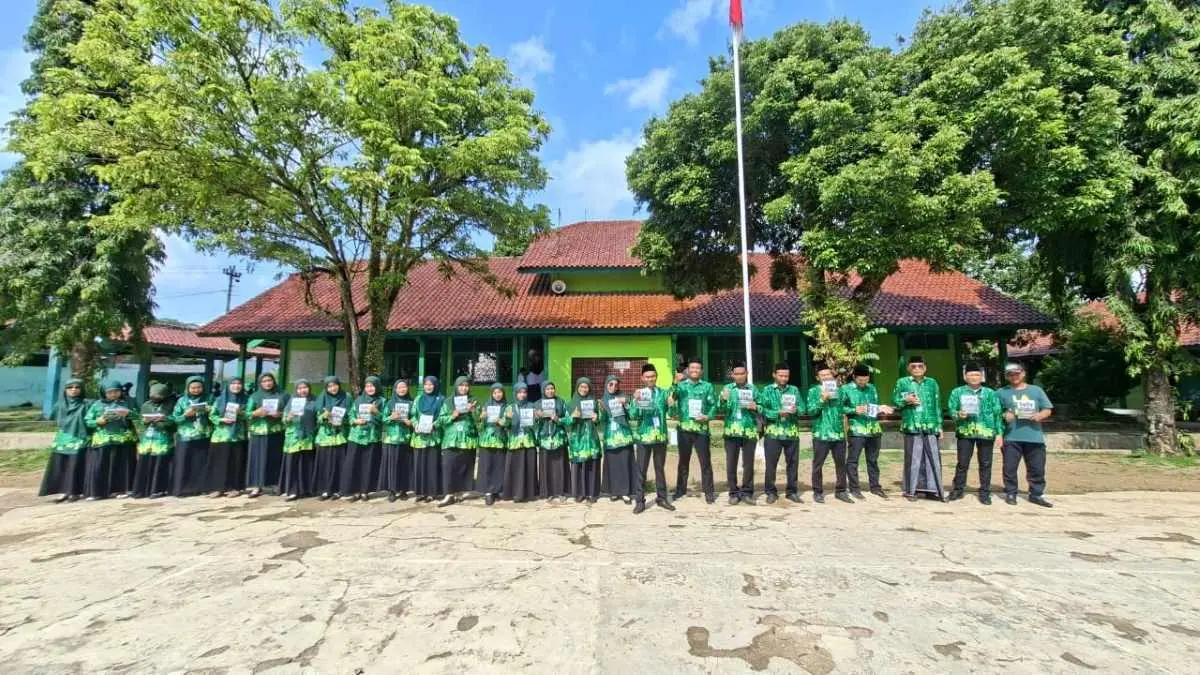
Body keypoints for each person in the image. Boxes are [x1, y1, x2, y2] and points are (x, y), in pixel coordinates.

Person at [997, 362, 1054, 507]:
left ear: (1023, 373)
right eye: (1010, 374)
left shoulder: (1036, 391)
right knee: (1009, 467)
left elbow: (1047, 409)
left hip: (1034, 436)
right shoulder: (1001, 392)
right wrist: (1005, 415)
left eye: (1017, 373)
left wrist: (1040, 415)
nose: (1014, 376)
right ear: (1007, 376)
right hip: (1011, 436)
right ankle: (1011, 492)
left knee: (1037, 467)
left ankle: (1036, 494)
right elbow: (994, 412)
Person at [947, 362, 1004, 505]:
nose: (974, 377)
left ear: (982, 376)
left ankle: (984, 492)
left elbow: (997, 413)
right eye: (971, 374)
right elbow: (951, 410)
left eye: (977, 374)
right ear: (965, 376)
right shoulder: (957, 392)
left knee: (985, 463)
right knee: (962, 463)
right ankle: (958, 489)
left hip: (986, 432)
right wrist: (958, 414)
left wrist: (999, 433)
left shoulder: (990, 393)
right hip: (966, 431)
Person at [892, 356, 946, 501]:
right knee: (913, 458)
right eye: (913, 366)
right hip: (912, 425)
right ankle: (911, 490)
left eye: (920, 366)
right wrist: (906, 400)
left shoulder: (932, 383)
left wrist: (940, 425)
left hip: (930, 425)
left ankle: (933, 490)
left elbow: (937, 405)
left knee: (933, 458)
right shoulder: (902, 382)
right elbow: (895, 401)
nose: (917, 369)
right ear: (909, 368)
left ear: (925, 368)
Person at [627, 364, 674, 514]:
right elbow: (633, 415)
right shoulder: (640, 394)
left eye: (653, 376)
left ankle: (661, 498)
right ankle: (640, 501)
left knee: (660, 469)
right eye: (647, 377)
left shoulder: (664, 393)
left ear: (656, 377)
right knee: (641, 470)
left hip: (660, 436)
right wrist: (634, 401)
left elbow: (672, 412)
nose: (650, 379)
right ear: (642, 378)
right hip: (643, 437)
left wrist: (672, 404)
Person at [669, 358, 717, 503]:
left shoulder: (708, 386)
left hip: (701, 430)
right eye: (692, 368)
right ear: (688, 370)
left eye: (697, 368)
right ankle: (680, 489)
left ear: (701, 371)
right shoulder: (682, 386)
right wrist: (675, 382)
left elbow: (713, 406)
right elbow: (672, 397)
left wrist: (707, 416)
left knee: (705, 462)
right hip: (684, 429)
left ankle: (708, 492)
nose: (695, 370)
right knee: (683, 461)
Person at [807, 363, 855, 504]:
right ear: (818, 378)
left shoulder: (840, 391)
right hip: (821, 433)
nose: (826, 377)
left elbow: (845, 408)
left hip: (838, 433)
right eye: (823, 375)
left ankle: (841, 491)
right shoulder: (813, 392)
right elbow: (811, 411)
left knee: (841, 464)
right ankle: (818, 492)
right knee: (818, 464)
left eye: (828, 374)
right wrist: (822, 399)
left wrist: (856, 409)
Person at [83, 380, 140, 500]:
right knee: (101, 465)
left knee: (122, 466)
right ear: (104, 393)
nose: (113, 394)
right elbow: (88, 421)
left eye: (116, 391)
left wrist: (128, 414)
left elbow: (139, 416)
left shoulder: (128, 402)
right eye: (110, 392)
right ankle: (98, 492)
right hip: (103, 440)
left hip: (124, 439)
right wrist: (97, 422)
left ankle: (122, 489)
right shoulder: (97, 404)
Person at [842, 365, 891, 499]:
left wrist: (881, 408)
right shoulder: (845, 389)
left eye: (865, 380)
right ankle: (854, 488)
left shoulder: (872, 388)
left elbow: (873, 406)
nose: (863, 383)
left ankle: (875, 487)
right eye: (860, 380)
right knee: (853, 460)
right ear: (854, 377)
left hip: (873, 429)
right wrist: (853, 410)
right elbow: (839, 407)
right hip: (857, 430)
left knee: (873, 460)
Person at [757, 362, 803, 504]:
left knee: (793, 464)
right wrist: (777, 413)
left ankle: (792, 492)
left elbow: (803, 408)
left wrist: (797, 410)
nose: (784, 378)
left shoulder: (794, 390)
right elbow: (761, 409)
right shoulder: (767, 390)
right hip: (773, 434)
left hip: (791, 433)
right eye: (781, 375)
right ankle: (771, 492)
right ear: (774, 375)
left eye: (786, 376)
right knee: (771, 464)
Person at [38, 378, 90, 502]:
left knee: (76, 465)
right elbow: (55, 419)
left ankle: (74, 492)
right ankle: (62, 491)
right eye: (70, 387)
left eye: (77, 387)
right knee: (61, 465)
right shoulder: (59, 405)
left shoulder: (87, 404)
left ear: (82, 389)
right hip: (62, 440)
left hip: (79, 439)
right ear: (65, 390)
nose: (74, 390)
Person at [718, 362, 758, 505]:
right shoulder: (727, 389)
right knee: (731, 463)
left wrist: (756, 406)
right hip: (731, 431)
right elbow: (720, 409)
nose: (740, 376)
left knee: (748, 464)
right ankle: (733, 492)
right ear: (733, 375)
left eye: (742, 373)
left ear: (746, 374)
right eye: (737, 374)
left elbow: (762, 406)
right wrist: (722, 399)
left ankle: (747, 492)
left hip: (749, 431)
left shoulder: (753, 389)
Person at [438, 376, 478, 507]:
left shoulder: (473, 401)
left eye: (466, 385)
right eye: (461, 385)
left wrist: (473, 411)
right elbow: (440, 420)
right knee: (449, 466)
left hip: (467, 439)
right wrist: (452, 416)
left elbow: (480, 421)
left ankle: (460, 493)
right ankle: (448, 494)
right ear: (456, 386)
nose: (464, 388)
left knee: (464, 466)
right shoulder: (448, 402)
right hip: (451, 439)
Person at [246, 373, 287, 498]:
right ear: (260, 383)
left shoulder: (283, 395)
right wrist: (255, 413)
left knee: (274, 458)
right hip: (259, 432)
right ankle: (256, 486)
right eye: (264, 381)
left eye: (269, 380)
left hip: (276, 431)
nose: (267, 383)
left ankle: (274, 484)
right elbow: (245, 414)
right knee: (257, 458)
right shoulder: (254, 397)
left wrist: (279, 414)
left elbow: (289, 411)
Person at [206, 377, 248, 498]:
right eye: (233, 383)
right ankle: (217, 488)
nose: (236, 386)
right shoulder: (219, 400)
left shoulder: (246, 400)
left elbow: (250, 415)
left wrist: (241, 412)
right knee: (219, 463)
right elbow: (212, 415)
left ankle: (235, 488)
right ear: (228, 385)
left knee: (236, 462)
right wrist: (221, 419)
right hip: (221, 436)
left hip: (237, 436)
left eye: (239, 383)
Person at [343, 376, 383, 502]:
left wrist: (376, 412)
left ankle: (365, 491)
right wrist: (355, 420)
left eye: (372, 386)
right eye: (367, 386)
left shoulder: (382, 401)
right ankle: (355, 491)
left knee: (368, 464)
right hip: (356, 437)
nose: (370, 388)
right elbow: (350, 416)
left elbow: (386, 419)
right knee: (355, 464)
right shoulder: (358, 400)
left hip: (371, 437)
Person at [171, 376, 212, 497]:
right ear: (187, 388)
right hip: (185, 437)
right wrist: (185, 415)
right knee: (184, 462)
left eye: (199, 387)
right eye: (193, 388)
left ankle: (201, 488)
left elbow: (216, 414)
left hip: (203, 436)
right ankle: (182, 489)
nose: (196, 390)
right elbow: (175, 418)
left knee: (200, 463)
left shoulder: (209, 398)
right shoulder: (182, 401)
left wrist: (208, 411)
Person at [132, 383, 175, 498]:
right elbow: (140, 421)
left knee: (160, 464)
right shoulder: (146, 405)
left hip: (162, 439)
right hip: (147, 439)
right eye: (153, 395)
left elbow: (174, 421)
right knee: (144, 463)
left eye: (159, 395)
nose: (156, 397)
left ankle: (157, 489)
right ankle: (141, 490)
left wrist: (164, 419)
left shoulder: (170, 405)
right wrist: (145, 421)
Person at [564, 377, 602, 503]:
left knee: (592, 465)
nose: (584, 389)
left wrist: (596, 418)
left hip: (591, 438)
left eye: (586, 387)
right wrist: (573, 417)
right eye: (581, 387)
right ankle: (579, 493)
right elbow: (565, 421)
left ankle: (592, 494)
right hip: (578, 439)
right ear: (577, 388)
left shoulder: (594, 402)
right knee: (579, 465)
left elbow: (599, 421)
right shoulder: (571, 403)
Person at [600, 375, 636, 504]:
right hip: (610, 437)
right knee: (613, 464)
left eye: (616, 385)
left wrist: (626, 404)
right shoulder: (603, 401)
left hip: (624, 435)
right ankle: (614, 492)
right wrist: (601, 411)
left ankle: (625, 492)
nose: (613, 387)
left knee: (625, 462)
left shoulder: (623, 397)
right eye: (611, 384)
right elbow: (600, 421)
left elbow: (632, 415)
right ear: (606, 385)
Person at [314, 375, 350, 500]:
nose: (333, 388)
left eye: (335, 385)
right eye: (329, 386)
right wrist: (324, 416)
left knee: (339, 464)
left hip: (340, 436)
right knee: (325, 464)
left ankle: (339, 490)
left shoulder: (346, 397)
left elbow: (351, 415)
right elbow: (316, 419)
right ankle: (325, 490)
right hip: (325, 437)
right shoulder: (322, 398)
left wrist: (342, 421)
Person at [378, 379, 414, 502]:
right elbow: (383, 419)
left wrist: (410, 422)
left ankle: (403, 490)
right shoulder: (390, 403)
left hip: (405, 439)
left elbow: (415, 418)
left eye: (404, 387)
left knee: (404, 465)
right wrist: (391, 417)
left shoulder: (411, 403)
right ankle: (392, 490)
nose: (402, 389)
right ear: (395, 389)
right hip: (391, 439)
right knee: (392, 466)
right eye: (399, 387)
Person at [280, 379, 316, 501]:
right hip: (293, 437)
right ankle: (293, 490)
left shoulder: (314, 401)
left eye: (305, 387)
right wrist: (289, 417)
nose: (303, 390)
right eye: (300, 388)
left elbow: (319, 418)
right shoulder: (291, 402)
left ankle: (306, 489)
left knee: (306, 463)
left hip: (308, 438)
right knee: (293, 464)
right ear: (296, 390)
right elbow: (284, 421)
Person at [410, 375, 444, 503]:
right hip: (419, 438)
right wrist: (415, 424)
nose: (428, 387)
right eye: (426, 384)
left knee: (432, 465)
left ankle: (432, 492)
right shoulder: (418, 399)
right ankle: (420, 492)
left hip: (433, 437)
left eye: (431, 384)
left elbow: (443, 416)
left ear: (435, 385)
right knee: (420, 465)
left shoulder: (440, 399)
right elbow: (413, 415)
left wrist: (434, 425)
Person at [503, 382, 539, 503]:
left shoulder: (531, 406)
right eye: (519, 392)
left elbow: (536, 426)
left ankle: (529, 494)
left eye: (524, 392)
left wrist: (537, 417)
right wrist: (507, 418)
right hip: (514, 442)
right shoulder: (510, 407)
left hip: (528, 441)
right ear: (515, 393)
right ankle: (515, 493)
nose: (522, 395)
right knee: (515, 468)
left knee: (529, 467)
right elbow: (505, 425)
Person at [535, 381, 568, 502]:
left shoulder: (561, 402)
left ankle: (561, 492)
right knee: (546, 466)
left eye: (552, 389)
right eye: (547, 389)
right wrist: (537, 416)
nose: (550, 391)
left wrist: (558, 419)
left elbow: (568, 419)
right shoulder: (538, 404)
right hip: (544, 439)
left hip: (558, 438)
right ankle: (547, 492)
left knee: (559, 466)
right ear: (543, 390)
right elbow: (532, 423)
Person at [476, 383, 509, 505]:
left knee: (499, 465)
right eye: (495, 393)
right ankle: (488, 492)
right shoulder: (486, 406)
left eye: (500, 392)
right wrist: (481, 418)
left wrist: (504, 422)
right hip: (487, 441)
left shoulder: (507, 407)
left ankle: (498, 490)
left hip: (501, 440)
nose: (497, 395)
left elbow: (510, 424)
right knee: (487, 466)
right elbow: (479, 426)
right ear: (492, 394)